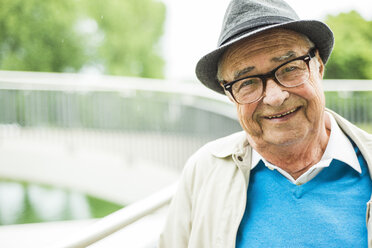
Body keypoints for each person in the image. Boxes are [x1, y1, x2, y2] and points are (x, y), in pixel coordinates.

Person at [158, 0, 372, 247]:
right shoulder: (204, 170)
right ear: (230, 94)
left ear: (319, 67)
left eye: (290, 68)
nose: (274, 97)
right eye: (247, 82)